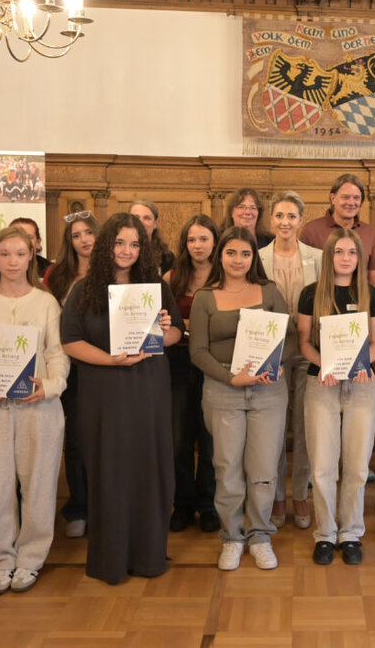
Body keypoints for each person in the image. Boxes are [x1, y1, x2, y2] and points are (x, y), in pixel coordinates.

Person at [61, 213, 184, 583]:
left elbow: (176, 335)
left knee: (149, 470)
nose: (127, 251)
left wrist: (165, 330)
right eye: (119, 243)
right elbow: (70, 341)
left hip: (148, 389)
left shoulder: (155, 287)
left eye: (134, 244)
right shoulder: (84, 289)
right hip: (103, 391)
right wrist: (110, 359)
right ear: (106, 245)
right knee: (110, 471)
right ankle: (111, 560)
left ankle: (149, 556)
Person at [0, 225, 70, 594]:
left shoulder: (46, 302)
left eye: (20, 254)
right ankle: (1, 560)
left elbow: (57, 354)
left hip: (39, 408)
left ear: (31, 257)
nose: (12, 261)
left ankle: (30, 559)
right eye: (4, 254)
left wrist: (50, 386)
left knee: (39, 484)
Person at [189, 226, 295, 571]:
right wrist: (231, 378)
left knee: (263, 469)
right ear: (220, 255)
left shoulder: (269, 290)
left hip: (267, 390)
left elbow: (291, 337)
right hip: (223, 390)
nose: (238, 260)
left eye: (245, 254)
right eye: (231, 252)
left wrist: (278, 362)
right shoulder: (205, 296)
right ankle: (232, 537)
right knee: (228, 468)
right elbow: (198, 351)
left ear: (254, 258)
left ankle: (260, 535)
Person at [298, 228, 375, 566]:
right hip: (322, 383)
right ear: (328, 255)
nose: (345, 258)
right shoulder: (311, 294)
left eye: (352, 252)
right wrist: (325, 365)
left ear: (360, 257)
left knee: (357, 465)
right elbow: (304, 342)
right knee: (322, 465)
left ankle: (350, 532)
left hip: (362, 384)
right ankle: (325, 533)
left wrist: (363, 364)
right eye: (339, 252)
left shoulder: (370, 294)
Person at [259, 191, 321, 530]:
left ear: (300, 220)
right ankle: (277, 496)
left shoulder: (317, 257)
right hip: (272, 352)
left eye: (291, 216)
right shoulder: (257, 258)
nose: (285, 222)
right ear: (272, 219)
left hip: (308, 348)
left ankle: (299, 494)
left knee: (305, 427)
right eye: (279, 216)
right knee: (275, 428)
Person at [44, 210, 100, 538]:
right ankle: (78, 506)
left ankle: (105, 506)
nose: (83, 240)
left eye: (88, 233)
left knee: (104, 440)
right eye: (76, 235)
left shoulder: (113, 271)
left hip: (105, 366)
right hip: (70, 369)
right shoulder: (57, 276)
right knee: (76, 441)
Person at [164, 214, 222, 533]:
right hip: (177, 363)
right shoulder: (172, 276)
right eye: (191, 239)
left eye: (203, 239)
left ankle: (208, 503)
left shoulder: (225, 274)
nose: (197, 245)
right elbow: (163, 321)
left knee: (210, 439)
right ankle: (183, 503)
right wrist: (190, 326)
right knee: (179, 439)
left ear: (215, 241)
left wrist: (189, 325)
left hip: (214, 364)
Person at [299, 173, 375, 294]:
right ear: (332, 198)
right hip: (321, 299)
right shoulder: (311, 230)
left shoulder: (370, 232)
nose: (351, 202)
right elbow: (303, 273)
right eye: (345, 197)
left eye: (356, 198)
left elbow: (373, 275)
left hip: (361, 300)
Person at [129, 199, 175, 275]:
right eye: (136, 217)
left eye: (147, 218)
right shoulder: (119, 254)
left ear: (155, 224)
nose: (140, 222)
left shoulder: (167, 257)